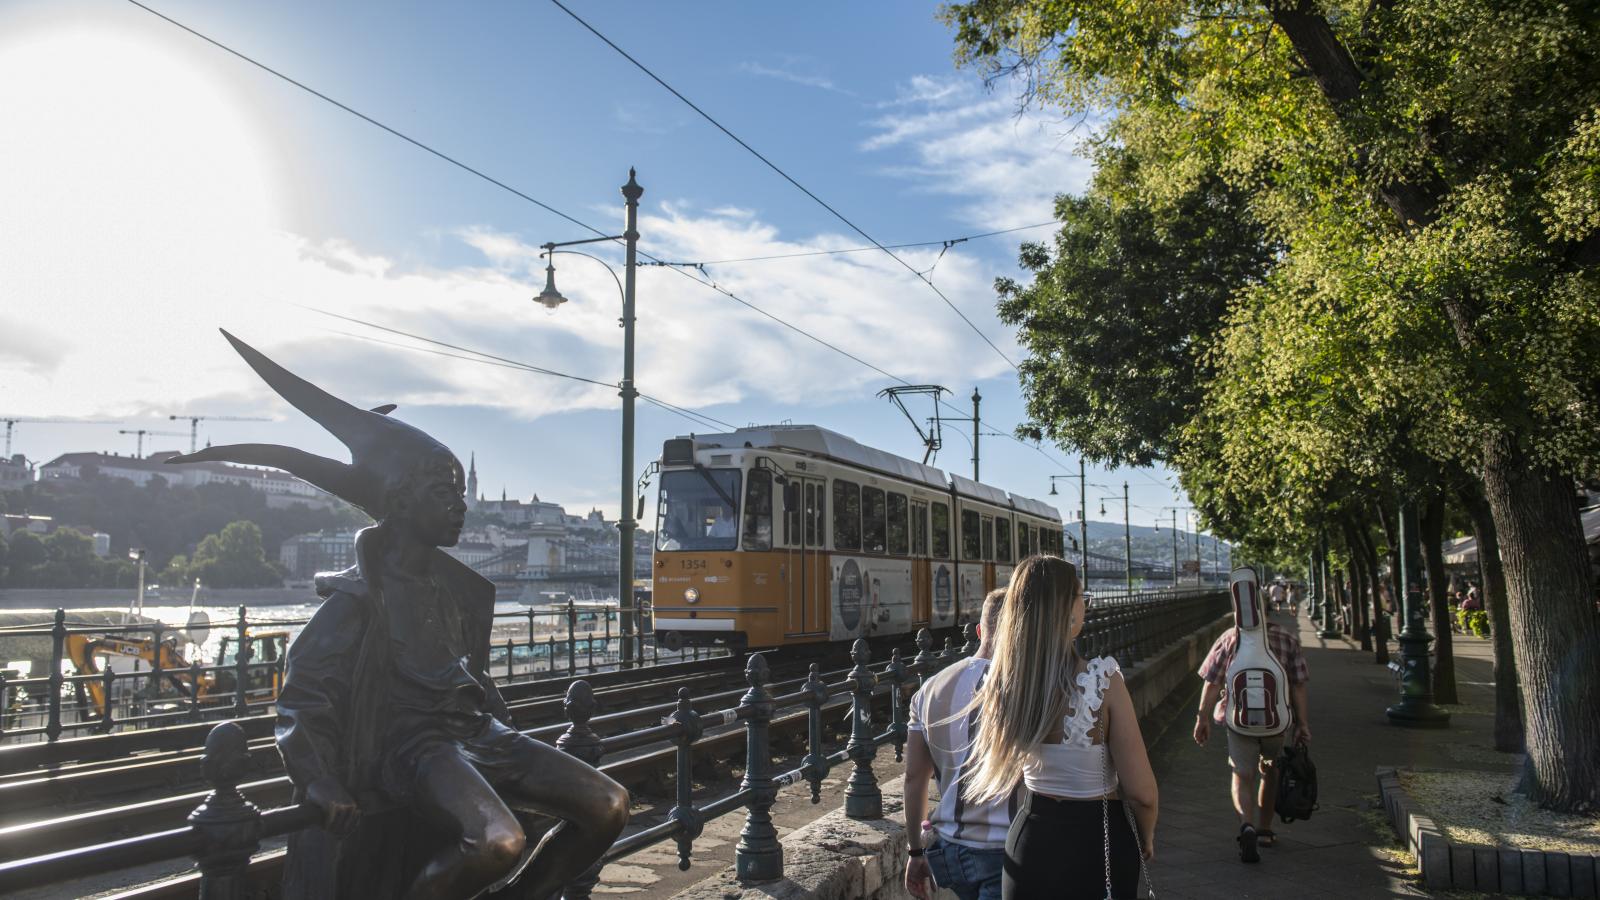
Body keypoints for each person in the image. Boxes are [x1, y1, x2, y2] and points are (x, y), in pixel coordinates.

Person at [168, 331, 629, 900]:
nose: (460, 506)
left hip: (478, 733)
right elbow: (299, 699)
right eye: (444, 493)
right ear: (403, 502)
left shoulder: (457, 592)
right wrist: (318, 780)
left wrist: (500, 723)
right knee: (497, 842)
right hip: (414, 750)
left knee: (609, 804)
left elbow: (474, 678)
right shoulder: (357, 598)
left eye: (461, 492)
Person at [957, 557, 1158, 899]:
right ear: (1067, 609)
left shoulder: (1004, 684)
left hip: (1029, 842)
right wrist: (1146, 836)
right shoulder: (1103, 682)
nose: (1085, 603)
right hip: (1098, 843)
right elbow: (1142, 793)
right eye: (1081, 595)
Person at [904, 589, 1011, 900]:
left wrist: (914, 852)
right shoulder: (1022, 686)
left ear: (979, 631)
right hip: (1005, 852)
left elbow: (914, 778)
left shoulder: (929, 690)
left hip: (950, 851)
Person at [1193, 595, 1310, 863]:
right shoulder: (1286, 638)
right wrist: (1302, 723)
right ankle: (1265, 830)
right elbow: (1299, 685)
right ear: (1267, 610)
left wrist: (1202, 718)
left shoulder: (1230, 639)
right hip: (1276, 723)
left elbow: (1211, 682)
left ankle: (1246, 824)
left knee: (1241, 775)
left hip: (1239, 722)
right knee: (1270, 772)